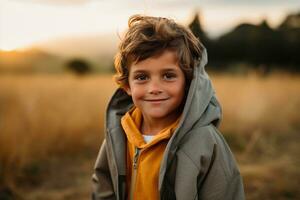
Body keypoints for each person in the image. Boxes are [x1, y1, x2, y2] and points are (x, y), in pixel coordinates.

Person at [92, 15, 245, 200]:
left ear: (188, 82)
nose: (154, 89)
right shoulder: (119, 133)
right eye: (142, 77)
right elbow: (103, 187)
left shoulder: (205, 142)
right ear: (127, 86)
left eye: (168, 76)